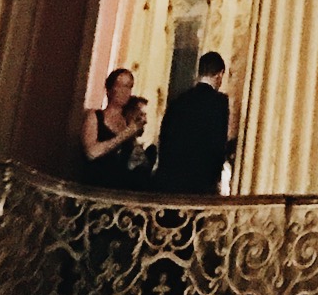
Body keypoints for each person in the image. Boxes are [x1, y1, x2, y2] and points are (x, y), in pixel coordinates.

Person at [155, 51, 231, 195]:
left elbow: (165, 138)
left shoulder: (179, 100)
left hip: (171, 179)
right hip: (200, 182)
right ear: (220, 74)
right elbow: (217, 144)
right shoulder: (219, 102)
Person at [81, 67, 146, 182]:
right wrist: (126, 134)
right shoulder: (95, 116)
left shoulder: (127, 121)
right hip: (95, 184)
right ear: (109, 89)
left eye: (129, 86)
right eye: (120, 85)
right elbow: (92, 152)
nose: (125, 91)